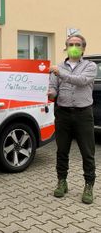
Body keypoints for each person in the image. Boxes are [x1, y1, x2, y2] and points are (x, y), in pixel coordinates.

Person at [48, 34, 97, 204]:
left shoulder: (90, 66)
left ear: (83, 48)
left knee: (87, 152)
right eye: (70, 44)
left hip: (83, 114)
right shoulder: (58, 67)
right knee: (62, 151)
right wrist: (49, 93)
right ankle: (62, 182)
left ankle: (89, 185)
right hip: (63, 114)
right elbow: (54, 88)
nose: (74, 47)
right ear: (66, 47)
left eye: (77, 44)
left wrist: (59, 72)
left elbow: (82, 81)